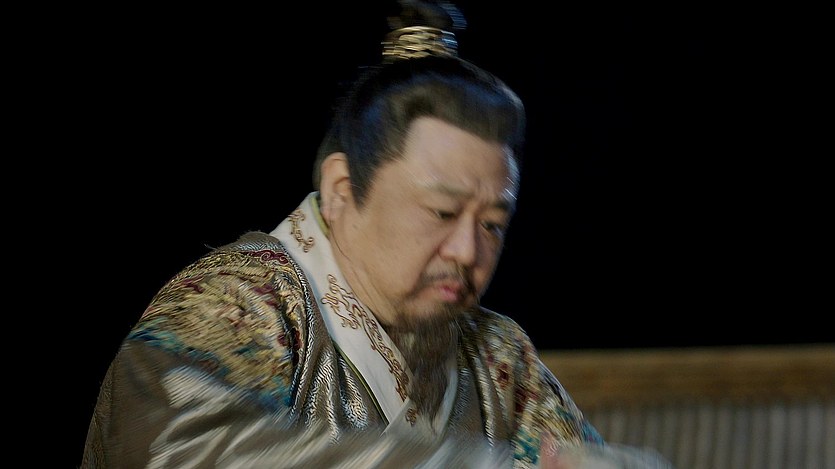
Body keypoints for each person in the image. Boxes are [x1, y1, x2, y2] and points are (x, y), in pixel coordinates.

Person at [82, 1, 672, 467]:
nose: (468, 252)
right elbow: (171, 450)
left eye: (492, 225)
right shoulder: (239, 302)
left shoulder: (498, 356)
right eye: (441, 213)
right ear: (342, 190)